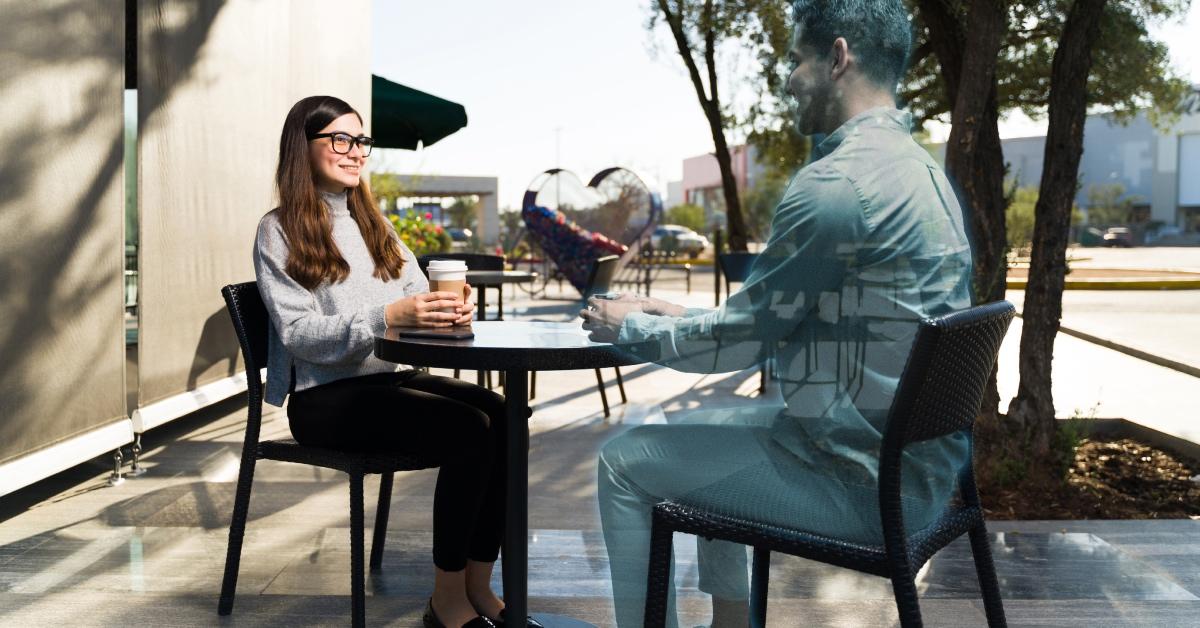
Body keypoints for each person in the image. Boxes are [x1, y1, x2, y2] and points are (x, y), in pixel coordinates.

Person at [580, 1, 975, 626]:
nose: (787, 77)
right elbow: (775, 316)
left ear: (837, 58)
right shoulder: (921, 172)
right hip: (916, 469)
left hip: (862, 485)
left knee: (623, 464)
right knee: (709, 427)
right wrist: (665, 309)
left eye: (795, 59)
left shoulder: (837, 186)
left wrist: (628, 326)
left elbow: (738, 347)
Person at [254, 95, 538, 628]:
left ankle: (479, 581)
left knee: (505, 416)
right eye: (340, 139)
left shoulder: (375, 224)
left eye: (360, 140)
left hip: (390, 382)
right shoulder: (279, 231)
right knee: (468, 428)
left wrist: (441, 308)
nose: (355, 151)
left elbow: (415, 293)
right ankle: (446, 599)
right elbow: (298, 336)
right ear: (303, 146)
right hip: (324, 399)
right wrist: (387, 316)